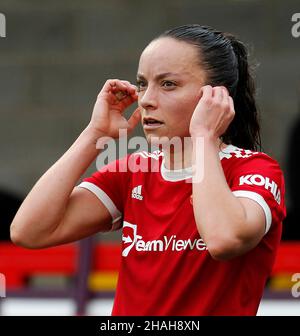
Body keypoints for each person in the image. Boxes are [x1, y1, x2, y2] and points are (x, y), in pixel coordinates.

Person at [10, 24, 286, 316]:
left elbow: (223, 239)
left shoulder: (255, 169)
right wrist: (94, 134)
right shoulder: (133, 170)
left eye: (168, 84)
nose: (146, 99)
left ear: (216, 97)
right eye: (143, 84)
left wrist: (204, 136)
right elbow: (29, 231)